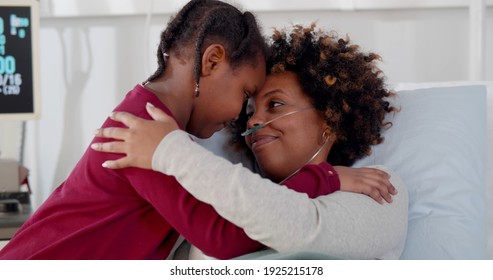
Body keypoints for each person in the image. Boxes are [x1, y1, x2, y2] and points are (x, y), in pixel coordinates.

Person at [90, 23, 409, 259]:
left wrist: (168, 150)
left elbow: (295, 225)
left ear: (330, 118)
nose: (254, 121)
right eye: (249, 111)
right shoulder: (215, 202)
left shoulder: (378, 188)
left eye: (276, 104)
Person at [0, 0, 270, 260]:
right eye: (245, 93)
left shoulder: (151, 117)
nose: (239, 114)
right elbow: (222, 239)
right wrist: (303, 204)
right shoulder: (146, 132)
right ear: (212, 61)